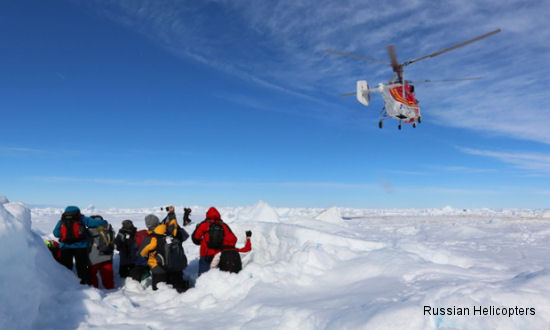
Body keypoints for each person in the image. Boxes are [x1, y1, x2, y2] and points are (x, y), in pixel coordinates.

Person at [53, 206, 107, 285]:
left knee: (66, 267)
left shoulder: (62, 220)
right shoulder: (81, 218)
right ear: (78, 212)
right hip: (81, 246)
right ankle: (84, 283)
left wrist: (64, 235)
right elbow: (94, 223)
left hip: (65, 247)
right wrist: (104, 222)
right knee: (82, 267)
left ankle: (66, 284)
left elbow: (55, 233)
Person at [191, 207, 237, 276]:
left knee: (203, 275)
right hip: (219, 254)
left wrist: (202, 242)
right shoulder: (223, 225)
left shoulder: (204, 224)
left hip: (205, 253)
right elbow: (233, 239)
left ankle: (202, 285)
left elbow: (195, 238)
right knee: (218, 274)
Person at [160, 206, 189, 292]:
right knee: (178, 276)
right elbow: (185, 236)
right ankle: (181, 288)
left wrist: (171, 213)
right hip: (179, 262)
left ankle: (173, 289)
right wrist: (171, 213)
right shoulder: (178, 233)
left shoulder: (164, 235)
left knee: (171, 277)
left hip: (169, 263)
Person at [139, 214, 168, 291]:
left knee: (158, 291)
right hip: (171, 265)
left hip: (157, 267)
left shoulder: (151, 238)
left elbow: (141, 253)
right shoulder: (166, 231)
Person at [87, 215, 115, 289]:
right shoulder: (108, 228)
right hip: (107, 255)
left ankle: (94, 289)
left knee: (92, 274)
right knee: (107, 274)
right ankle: (110, 289)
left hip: (93, 256)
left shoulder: (89, 230)